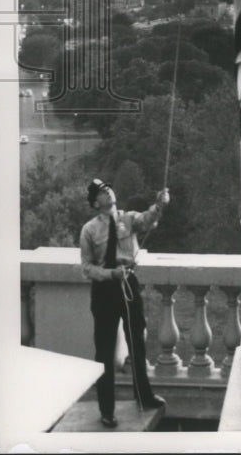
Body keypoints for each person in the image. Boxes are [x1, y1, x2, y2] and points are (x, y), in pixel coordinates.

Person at [79, 178, 170, 428]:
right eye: (102, 191)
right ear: (96, 202)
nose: (108, 190)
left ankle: (144, 396)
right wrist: (110, 274)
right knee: (105, 351)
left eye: (109, 187)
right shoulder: (89, 230)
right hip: (104, 291)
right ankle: (106, 410)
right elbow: (86, 268)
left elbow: (147, 219)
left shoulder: (128, 218)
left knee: (136, 344)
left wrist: (159, 205)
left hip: (128, 284)